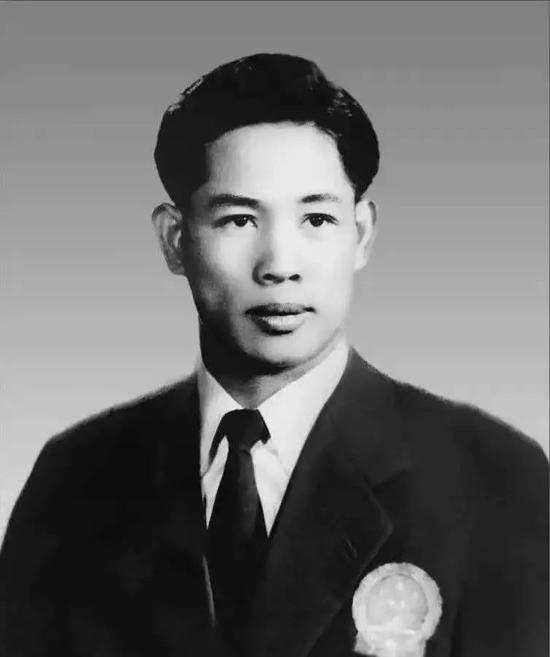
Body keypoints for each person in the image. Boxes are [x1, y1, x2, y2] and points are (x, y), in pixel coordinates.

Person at [0, 53, 547, 657]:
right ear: (174, 240)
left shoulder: (496, 478)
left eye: (317, 218)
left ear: (361, 234)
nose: (280, 265)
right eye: (239, 220)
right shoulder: (74, 477)